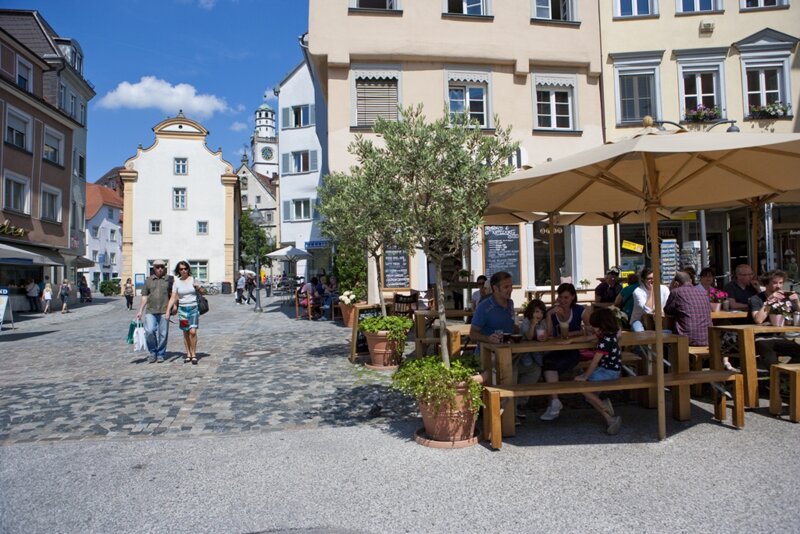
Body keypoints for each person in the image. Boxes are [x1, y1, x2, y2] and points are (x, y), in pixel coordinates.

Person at [540, 283, 591, 421]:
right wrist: (549, 316)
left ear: (573, 297)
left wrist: (570, 335)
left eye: (566, 297)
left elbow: (590, 330)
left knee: (550, 367)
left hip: (573, 350)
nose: (563, 300)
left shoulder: (581, 310)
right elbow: (549, 335)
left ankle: (553, 404)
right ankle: (555, 401)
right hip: (556, 349)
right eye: (561, 297)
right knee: (548, 363)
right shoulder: (553, 311)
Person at [574, 307, 624, 435]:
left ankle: (605, 408)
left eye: (595, 326)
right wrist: (570, 341)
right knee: (590, 396)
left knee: (580, 386)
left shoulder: (604, 341)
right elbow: (588, 338)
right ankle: (609, 418)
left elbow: (595, 361)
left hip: (607, 372)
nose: (593, 329)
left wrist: (585, 376)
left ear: (601, 326)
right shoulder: (611, 335)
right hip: (612, 370)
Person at [749, 269, 800, 369]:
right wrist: (769, 301)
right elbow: (758, 320)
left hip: (779, 337)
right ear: (766, 284)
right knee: (770, 357)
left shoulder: (785, 298)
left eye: (781, 283)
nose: (779, 286)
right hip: (760, 338)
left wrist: (797, 301)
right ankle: (776, 378)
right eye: (775, 282)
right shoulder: (756, 299)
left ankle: (783, 376)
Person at [136, 260, 173, 363]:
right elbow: (144, 296)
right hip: (150, 310)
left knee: (163, 334)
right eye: (157, 267)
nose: (160, 269)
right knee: (149, 331)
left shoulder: (169, 280)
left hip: (164, 310)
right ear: (154, 268)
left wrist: (172, 308)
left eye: (162, 266)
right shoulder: (148, 280)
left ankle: (161, 353)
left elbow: (173, 295)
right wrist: (140, 310)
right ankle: (153, 352)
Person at [664, 271, 712, 347]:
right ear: (690, 281)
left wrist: (672, 289)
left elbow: (668, 311)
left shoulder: (676, 292)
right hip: (707, 338)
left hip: (686, 339)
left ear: (676, 283)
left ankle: (670, 357)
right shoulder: (703, 292)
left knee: (666, 331)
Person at [166, 261, 201, 365]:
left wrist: (198, 287)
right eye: (181, 269)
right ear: (178, 271)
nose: (183, 271)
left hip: (193, 308)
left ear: (188, 269)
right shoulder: (176, 283)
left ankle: (194, 354)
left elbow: (204, 292)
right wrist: (168, 311)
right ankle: (188, 354)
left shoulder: (193, 279)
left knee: (193, 332)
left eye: (185, 268)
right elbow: (173, 297)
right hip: (183, 310)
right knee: (186, 332)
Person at [469, 271, 516, 347]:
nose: (510, 289)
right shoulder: (484, 307)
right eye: (506, 287)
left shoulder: (510, 303)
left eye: (511, 286)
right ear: (495, 288)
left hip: (508, 350)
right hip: (488, 353)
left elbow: (509, 326)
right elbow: (472, 334)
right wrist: (488, 339)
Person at [630, 268, 670, 332]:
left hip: (659, 319)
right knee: (641, 333)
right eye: (649, 278)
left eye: (654, 278)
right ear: (643, 279)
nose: (653, 280)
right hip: (639, 319)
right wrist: (653, 291)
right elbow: (647, 310)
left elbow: (667, 307)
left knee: (668, 332)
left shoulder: (664, 289)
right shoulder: (638, 291)